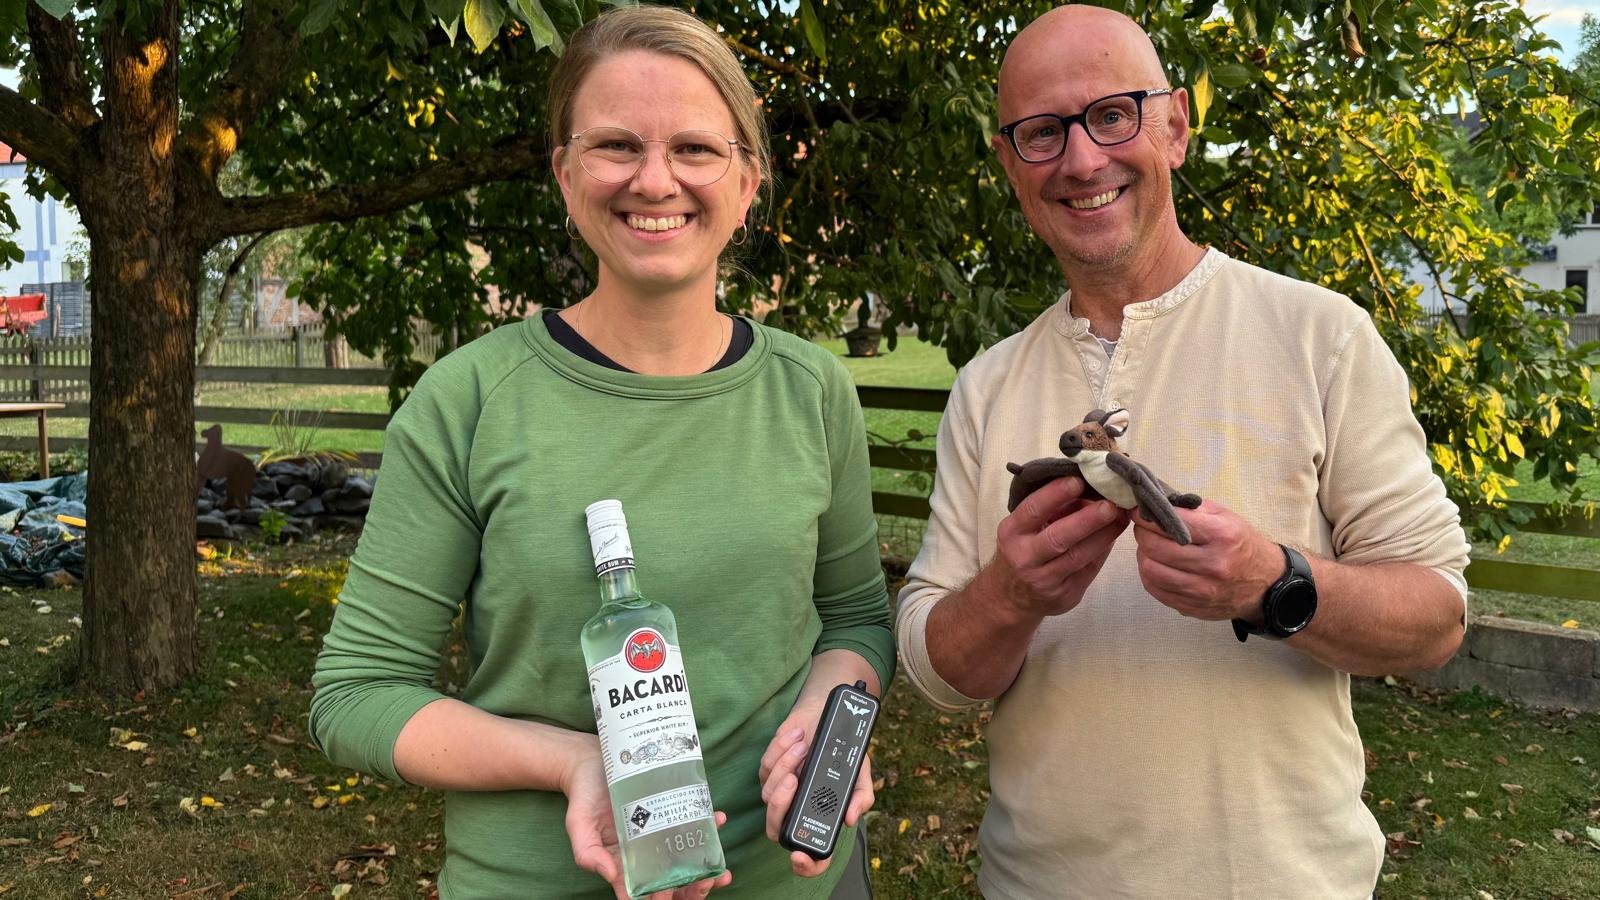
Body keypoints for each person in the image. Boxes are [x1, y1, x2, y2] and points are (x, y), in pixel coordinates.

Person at [309, 7, 893, 898]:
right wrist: (575, 762)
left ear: (747, 181)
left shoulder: (812, 393)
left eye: (695, 149)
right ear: (565, 173)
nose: (656, 180)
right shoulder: (468, 402)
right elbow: (356, 695)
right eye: (618, 145)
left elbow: (855, 620)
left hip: (800, 883)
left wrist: (833, 710)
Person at [895, 5, 1472, 898]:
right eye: (1042, 133)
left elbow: (1437, 617)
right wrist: (1010, 596)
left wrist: (1278, 585)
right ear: (1011, 166)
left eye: (1113, 115)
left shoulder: (1321, 335)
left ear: (1175, 127)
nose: (1083, 160)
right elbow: (940, 676)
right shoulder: (986, 386)